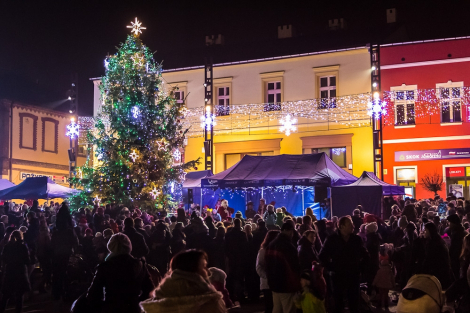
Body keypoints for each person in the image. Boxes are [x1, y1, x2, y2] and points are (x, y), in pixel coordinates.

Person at [140, 250, 226, 313]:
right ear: (191, 271)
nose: (209, 272)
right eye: (204, 266)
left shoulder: (155, 305)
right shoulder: (210, 303)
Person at [87, 233, 154, 313]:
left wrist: (102, 306)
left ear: (110, 246)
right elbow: (150, 290)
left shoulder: (105, 266)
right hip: (133, 308)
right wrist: (138, 302)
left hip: (112, 308)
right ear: (129, 246)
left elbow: (93, 294)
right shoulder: (139, 265)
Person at [319, 216, 369, 313]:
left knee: (354, 302)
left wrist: (360, 268)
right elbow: (322, 255)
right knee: (338, 302)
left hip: (353, 275)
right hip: (338, 276)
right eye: (350, 224)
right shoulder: (332, 239)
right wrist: (331, 267)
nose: (353, 226)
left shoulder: (356, 240)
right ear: (341, 226)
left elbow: (366, 255)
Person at [265, 222, 301, 313]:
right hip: (286, 284)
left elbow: (267, 264)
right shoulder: (288, 246)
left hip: (273, 283)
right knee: (289, 309)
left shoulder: (271, 244)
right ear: (290, 231)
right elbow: (294, 267)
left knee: (277, 308)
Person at [0, 230, 31, 313]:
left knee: (6, 295)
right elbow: (27, 261)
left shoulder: (7, 246)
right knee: (19, 295)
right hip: (20, 271)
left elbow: (3, 258)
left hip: (9, 271)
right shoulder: (22, 246)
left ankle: (1, 310)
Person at [421, 222, 454, 289]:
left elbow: (429, 260)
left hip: (438, 274)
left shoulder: (433, 244)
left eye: (425, 230)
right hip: (443, 273)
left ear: (430, 231)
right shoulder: (438, 240)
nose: (423, 232)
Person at [225, 218, 248, 302]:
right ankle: (240, 295)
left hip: (231, 258)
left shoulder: (228, 234)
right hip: (240, 259)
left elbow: (226, 247)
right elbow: (245, 247)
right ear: (240, 224)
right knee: (240, 278)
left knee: (231, 277)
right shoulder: (242, 234)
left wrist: (228, 255)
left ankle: (231, 295)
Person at [257, 230, 280, 313]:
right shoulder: (263, 251)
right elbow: (259, 267)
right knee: (269, 306)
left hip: (275, 282)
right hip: (267, 283)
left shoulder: (277, 249)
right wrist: (267, 276)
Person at [447, 214, 468, 280]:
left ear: (454, 223)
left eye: (450, 222)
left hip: (458, 260)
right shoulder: (460, 231)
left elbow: (455, 249)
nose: (449, 224)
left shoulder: (457, 234)